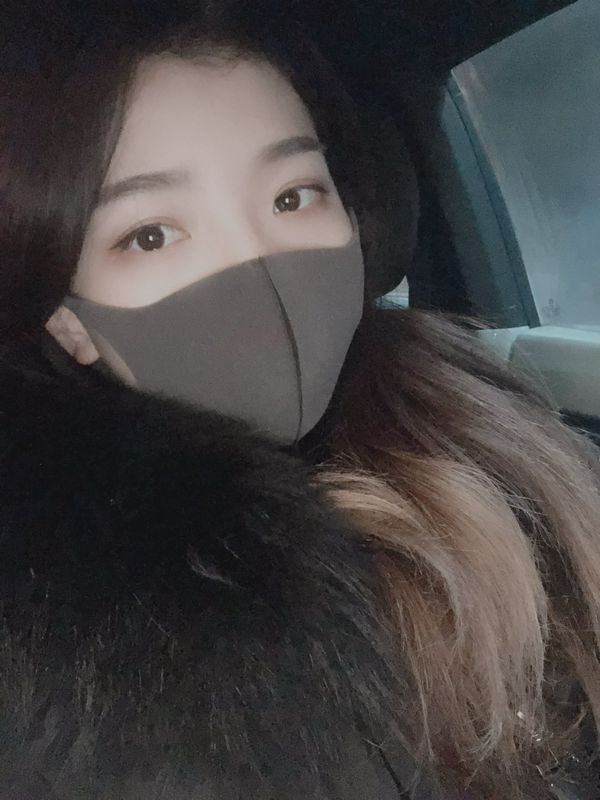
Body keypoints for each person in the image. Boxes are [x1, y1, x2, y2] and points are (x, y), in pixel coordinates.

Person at [1, 2, 599, 798]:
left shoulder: (485, 423)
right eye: (150, 234)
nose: (259, 266)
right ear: (68, 322)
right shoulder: (56, 633)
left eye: (292, 197)